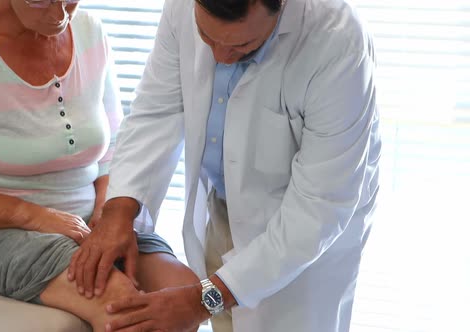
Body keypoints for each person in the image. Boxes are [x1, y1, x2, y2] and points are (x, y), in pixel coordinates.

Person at [68, 0, 381, 331]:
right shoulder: (182, 7)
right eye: (206, 36)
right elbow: (156, 111)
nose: (219, 57)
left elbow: (320, 206)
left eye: (242, 46)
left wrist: (203, 299)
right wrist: (119, 213)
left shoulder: (337, 41)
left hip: (305, 239)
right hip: (226, 203)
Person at [0, 0, 199, 331]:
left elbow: (112, 148)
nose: (60, 15)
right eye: (40, 1)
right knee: (122, 305)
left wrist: (108, 214)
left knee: (181, 291)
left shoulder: (90, 32)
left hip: (87, 224)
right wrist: (38, 217)